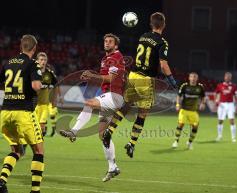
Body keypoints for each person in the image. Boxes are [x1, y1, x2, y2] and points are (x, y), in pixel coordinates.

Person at [102, 12, 177, 158]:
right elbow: (163, 65)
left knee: (125, 107)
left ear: (151, 24)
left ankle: (109, 131)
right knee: (142, 113)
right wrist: (172, 81)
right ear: (163, 25)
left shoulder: (143, 36)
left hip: (133, 76)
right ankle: (131, 143)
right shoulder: (162, 42)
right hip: (145, 80)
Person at [59, 33, 125, 182]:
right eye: (105, 41)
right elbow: (103, 79)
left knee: (88, 103)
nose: (107, 43)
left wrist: (92, 76)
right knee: (103, 135)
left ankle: (74, 132)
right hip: (108, 97)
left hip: (114, 96)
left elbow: (111, 78)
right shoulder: (105, 59)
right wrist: (91, 77)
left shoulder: (116, 57)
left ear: (116, 45)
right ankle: (112, 167)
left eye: (110, 41)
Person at [0, 34, 43, 193]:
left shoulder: (8, 63)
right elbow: (36, 86)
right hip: (23, 112)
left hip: (5, 113)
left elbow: (2, 86)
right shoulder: (32, 63)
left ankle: (2, 180)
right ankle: (35, 190)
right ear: (34, 48)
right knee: (38, 151)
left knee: (16, 150)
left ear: (21, 47)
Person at [172, 72, 206, 150]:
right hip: (184, 110)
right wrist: (177, 104)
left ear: (197, 79)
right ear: (189, 78)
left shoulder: (200, 87)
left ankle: (190, 142)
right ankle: (176, 141)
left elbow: (203, 96)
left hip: (193, 111)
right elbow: (179, 96)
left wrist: (203, 104)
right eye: (192, 77)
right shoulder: (185, 86)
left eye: (195, 77)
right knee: (180, 125)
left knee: (195, 127)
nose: (193, 79)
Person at [35, 52, 58, 136]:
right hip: (33, 104)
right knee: (33, 127)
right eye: (41, 60)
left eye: (45, 60)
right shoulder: (32, 72)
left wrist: (54, 100)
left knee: (41, 126)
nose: (43, 61)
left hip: (44, 104)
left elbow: (56, 85)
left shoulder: (49, 73)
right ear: (37, 61)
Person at [215, 72, 237, 142]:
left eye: (229, 77)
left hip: (230, 104)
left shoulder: (234, 86)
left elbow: (236, 96)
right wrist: (216, 101)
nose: (227, 78)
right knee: (220, 121)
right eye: (226, 76)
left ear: (231, 78)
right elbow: (216, 93)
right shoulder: (220, 85)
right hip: (222, 105)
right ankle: (219, 136)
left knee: (232, 121)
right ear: (224, 77)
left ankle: (233, 138)